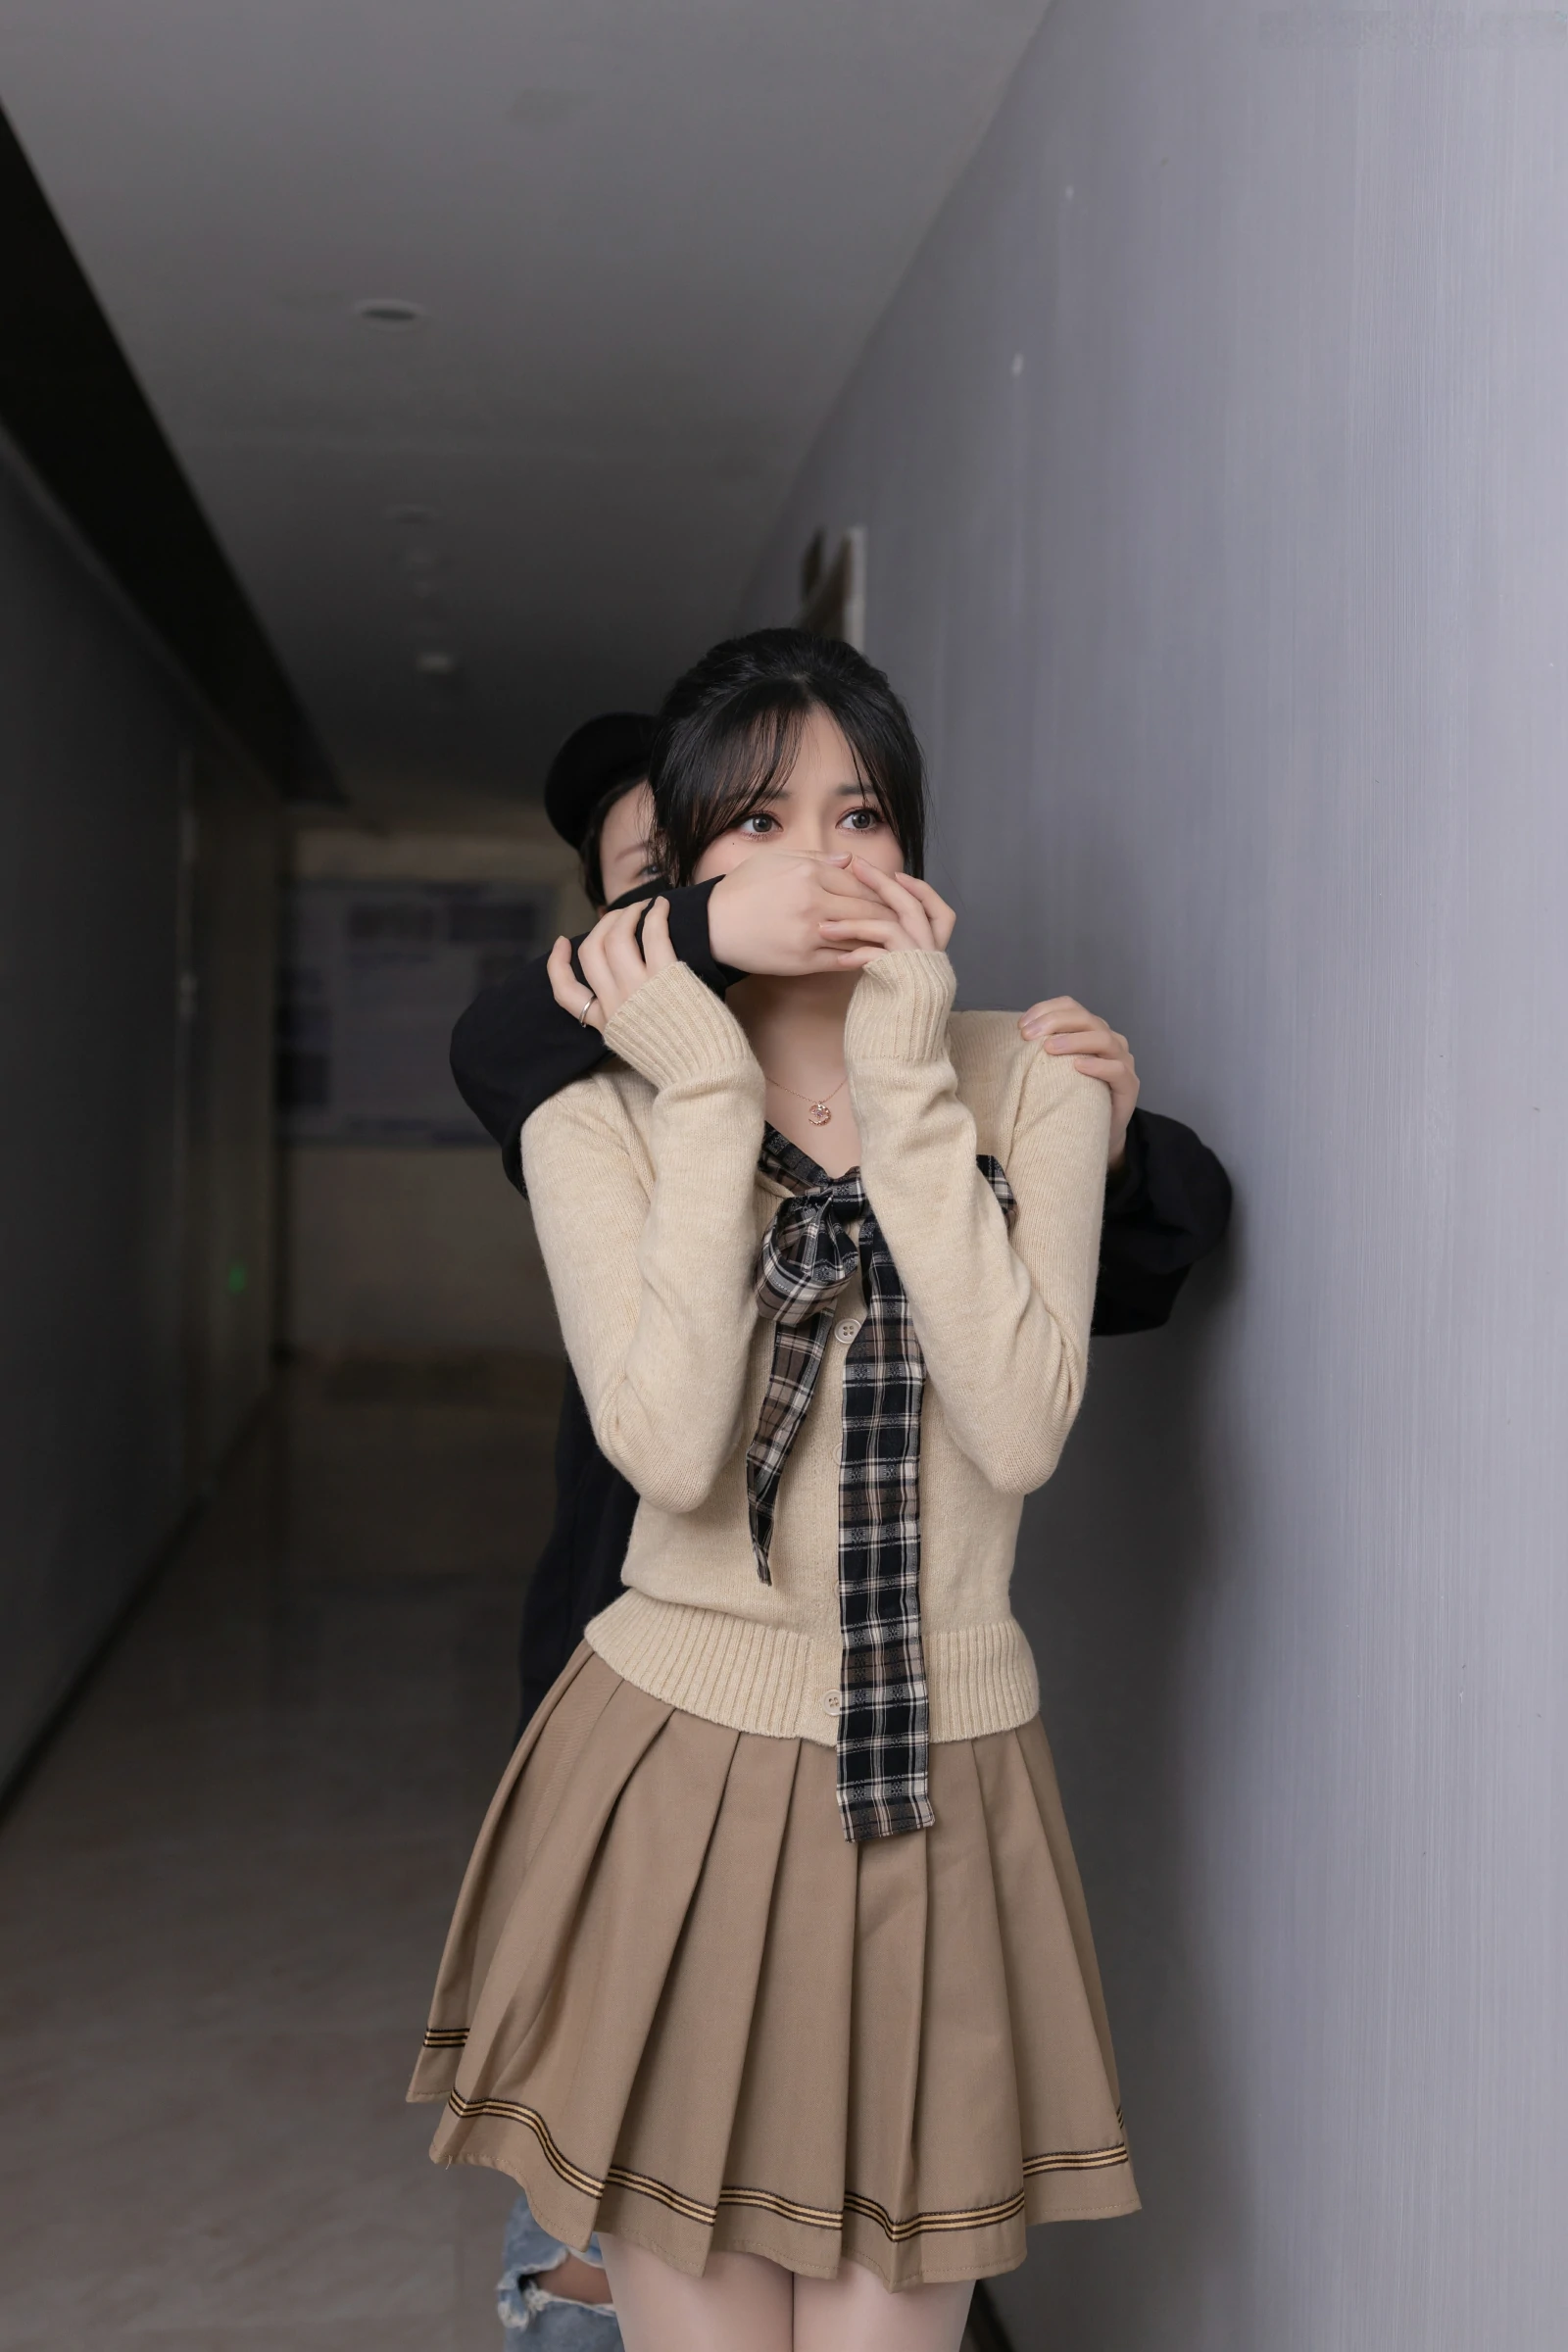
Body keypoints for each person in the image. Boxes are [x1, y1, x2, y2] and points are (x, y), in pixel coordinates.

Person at [413, 629, 1223, 2351]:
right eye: (761, 822)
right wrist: (711, 1090)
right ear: (690, 876)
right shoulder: (597, 1113)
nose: (824, 861)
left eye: (861, 813)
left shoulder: (1036, 1081)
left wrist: (911, 1078)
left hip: (942, 1773)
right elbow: (666, 1446)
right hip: (673, 1770)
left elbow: (1019, 1431)